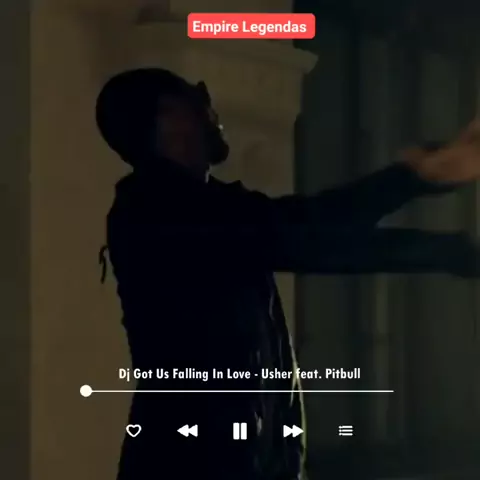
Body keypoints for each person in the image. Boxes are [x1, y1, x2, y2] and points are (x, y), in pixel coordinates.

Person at [96, 67, 480, 480]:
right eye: (197, 94)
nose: (210, 105)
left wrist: (428, 196)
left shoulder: (199, 208)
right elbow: (308, 234)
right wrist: (424, 191)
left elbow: (314, 231)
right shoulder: (159, 212)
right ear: (169, 117)